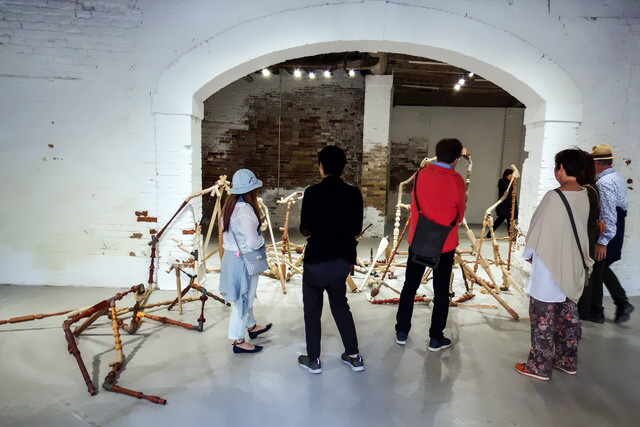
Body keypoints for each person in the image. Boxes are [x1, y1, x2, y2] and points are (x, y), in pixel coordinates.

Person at [515, 149, 593, 381]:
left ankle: (539, 366)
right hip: (572, 267)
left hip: (549, 267)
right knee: (568, 316)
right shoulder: (584, 195)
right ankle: (566, 361)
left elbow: (537, 228)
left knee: (543, 317)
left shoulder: (554, 197)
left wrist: (528, 254)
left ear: (561, 168)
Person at [297, 145, 364, 374]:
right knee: (340, 306)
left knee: (312, 311)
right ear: (343, 168)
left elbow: (305, 228)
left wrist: (319, 229)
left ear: (321, 167)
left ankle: (313, 360)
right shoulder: (354, 194)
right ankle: (354, 356)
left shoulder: (312, 192)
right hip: (341, 261)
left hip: (316, 262)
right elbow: (356, 228)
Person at [395, 138, 466, 352]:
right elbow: (460, 213)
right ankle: (436, 338)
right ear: (456, 159)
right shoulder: (456, 180)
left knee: (410, 286)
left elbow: (415, 203)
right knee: (441, 292)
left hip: (419, 238)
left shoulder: (421, 175)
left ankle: (401, 331)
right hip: (445, 243)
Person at [219, 169, 272, 354]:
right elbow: (252, 242)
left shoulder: (228, 207)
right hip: (244, 261)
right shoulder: (246, 211)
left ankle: (251, 326)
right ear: (251, 190)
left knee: (243, 295)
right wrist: (262, 238)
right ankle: (238, 340)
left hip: (230, 258)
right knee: (243, 300)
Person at [589, 144, 634, 323]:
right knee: (601, 267)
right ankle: (621, 304)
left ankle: (599, 312)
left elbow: (608, 214)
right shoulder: (616, 177)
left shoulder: (605, 182)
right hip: (616, 226)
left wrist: (603, 241)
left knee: (598, 267)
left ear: (597, 163)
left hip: (610, 228)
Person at [576, 152, 603, 321]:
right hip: (588, 234)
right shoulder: (592, 187)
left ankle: (579, 312)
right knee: (585, 273)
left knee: (581, 274)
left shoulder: (586, 190)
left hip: (583, 234)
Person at [486, 168, 518, 238]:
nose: (512, 176)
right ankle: (510, 236)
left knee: (504, 220)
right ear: (507, 175)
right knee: (504, 220)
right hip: (505, 205)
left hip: (506, 204)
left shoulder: (508, 183)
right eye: (510, 175)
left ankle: (490, 234)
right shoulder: (505, 183)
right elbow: (507, 196)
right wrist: (511, 206)